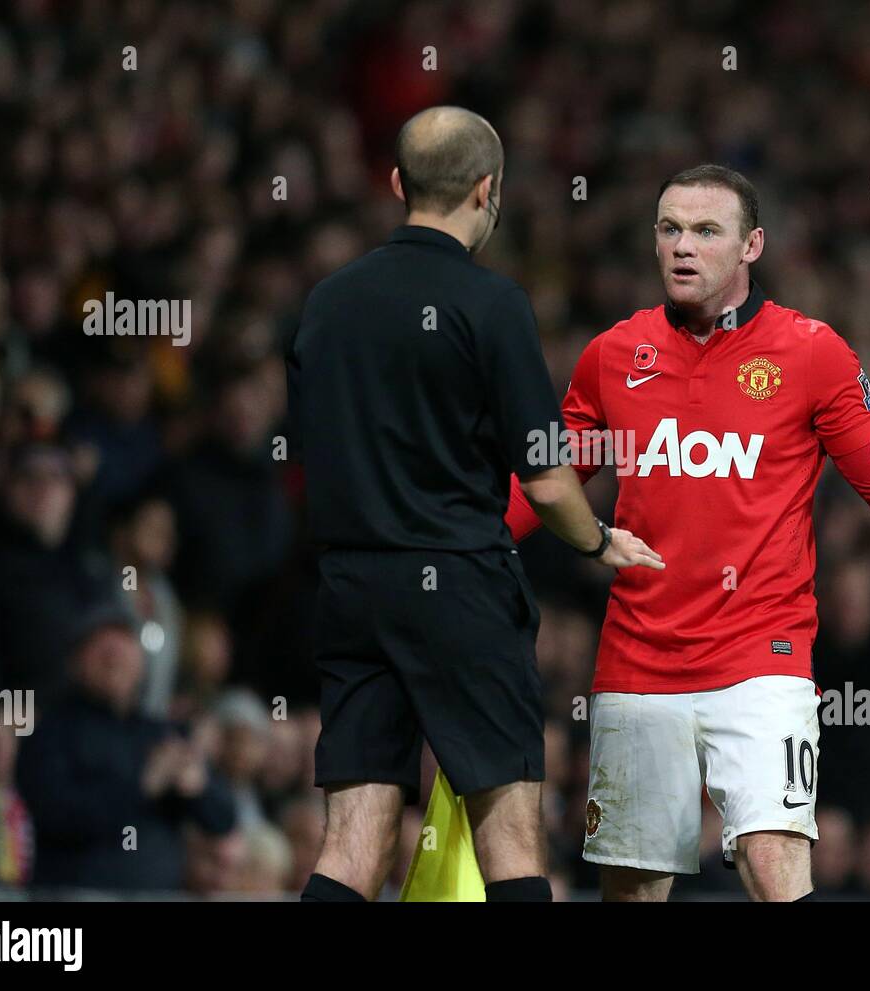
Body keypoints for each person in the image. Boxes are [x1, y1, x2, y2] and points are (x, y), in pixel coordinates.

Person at [505, 164, 870, 901]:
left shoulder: (811, 354)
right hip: (639, 658)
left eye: (706, 230)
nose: (682, 246)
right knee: (634, 888)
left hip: (763, 658)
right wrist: (458, 543)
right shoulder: (613, 356)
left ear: (752, 244)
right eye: (669, 228)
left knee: (773, 861)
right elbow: (548, 482)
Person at [285, 106, 662, 904]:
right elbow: (547, 477)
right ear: (487, 189)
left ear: (398, 184)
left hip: (352, 587)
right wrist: (597, 542)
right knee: (511, 839)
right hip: (460, 585)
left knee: (351, 839)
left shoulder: (326, 302)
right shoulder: (491, 305)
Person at [15, 605, 236, 892]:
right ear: (75, 662)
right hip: (78, 893)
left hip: (160, 894)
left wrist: (198, 788)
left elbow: (222, 820)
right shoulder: (51, 732)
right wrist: (143, 785)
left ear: (143, 666)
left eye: (124, 652)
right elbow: (56, 814)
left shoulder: (160, 733)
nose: (114, 659)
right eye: (104, 653)